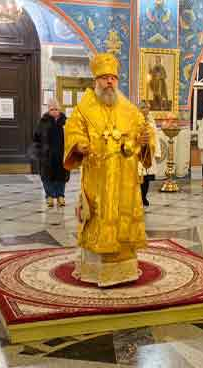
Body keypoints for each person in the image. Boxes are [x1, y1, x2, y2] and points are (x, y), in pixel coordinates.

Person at [64, 53, 155, 287]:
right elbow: (73, 131)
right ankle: (95, 270)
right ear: (96, 81)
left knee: (123, 219)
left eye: (113, 78)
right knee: (97, 216)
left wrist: (145, 141)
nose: (109, 83)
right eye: (104, 78)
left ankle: (124, 270)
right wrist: (79, 144)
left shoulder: (129, 109)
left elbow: (143, 135)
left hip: (125, 177)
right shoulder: (83, 109)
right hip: (98, 177)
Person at [34, 99, 69, 208]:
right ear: (48, 110)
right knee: (47, 176)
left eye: (56, 109)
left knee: (61, 176)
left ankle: (60, 196)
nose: (54, 111)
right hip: (47, 155)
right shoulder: (43, 122)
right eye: (51, 109)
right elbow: (36, 137)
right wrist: (38, 151)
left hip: (61, 154)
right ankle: (49, 196)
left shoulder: (65, 122)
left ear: (60, 109)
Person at [138, 101, 163, 206]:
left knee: (147, 178)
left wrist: (157, 153)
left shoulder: (151, 122)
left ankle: (144, 197)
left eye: (147, 108)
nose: (146, 110)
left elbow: (156, 138)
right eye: (144, 108)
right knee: (140, 177)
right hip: (139, 153)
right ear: (140, 109)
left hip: (150, 152)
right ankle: (139, 198)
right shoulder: (135, 121)